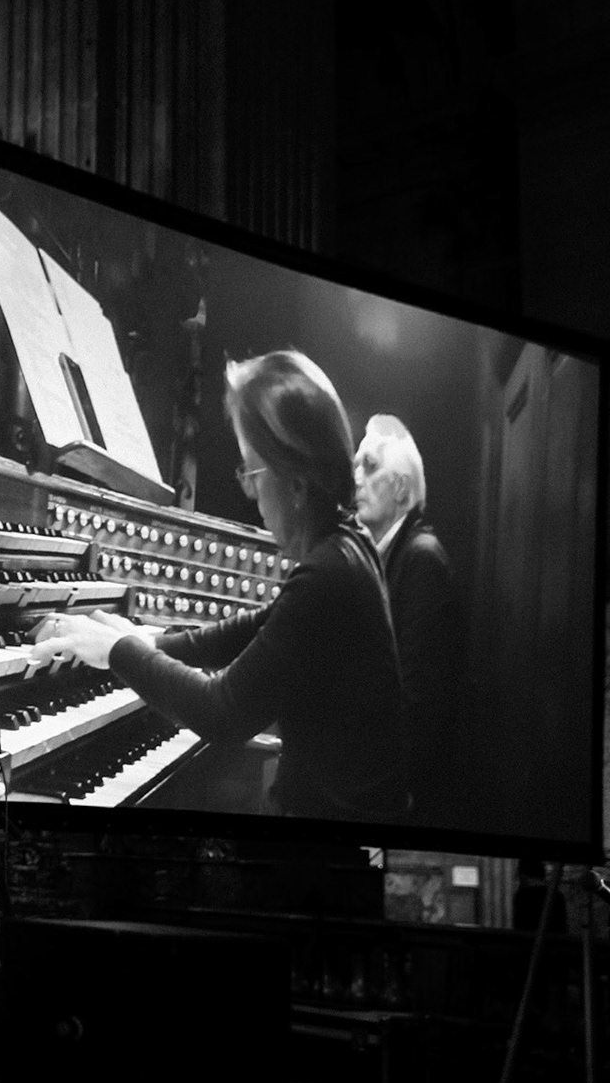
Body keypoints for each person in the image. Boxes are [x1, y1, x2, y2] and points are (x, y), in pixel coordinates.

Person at [30, 349, 407, 820]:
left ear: (296, 483)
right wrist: (153, 640)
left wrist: (118, 650)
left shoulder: (329, 572)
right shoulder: (348, 545)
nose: (250, 495)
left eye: (252, 472)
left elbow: (222, 712)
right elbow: (259, 627)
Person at [353, 414, 463, 820]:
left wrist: (393, 795)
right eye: (355, 466)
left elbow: (421, 703)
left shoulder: (421, 558)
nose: (356, 479)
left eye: (369, 466)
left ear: (400, 487)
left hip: (407, 798)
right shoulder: (390, 554)